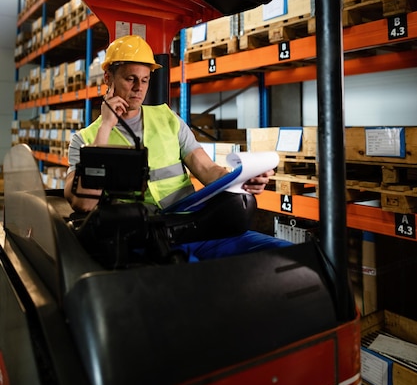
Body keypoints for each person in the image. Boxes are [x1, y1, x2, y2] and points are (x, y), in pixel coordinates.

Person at [64, 35, 291, 261]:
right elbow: (84, 203)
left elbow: (207, 169)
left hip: (193, 227)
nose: (138, 88)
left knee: (282, 254)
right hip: (140, 240)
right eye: (129, 79)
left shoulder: (167, 118)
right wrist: (106, 126)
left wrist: (239, 179)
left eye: (144, 80)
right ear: (108, 77)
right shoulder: (85, 138)